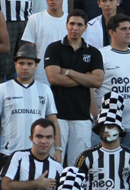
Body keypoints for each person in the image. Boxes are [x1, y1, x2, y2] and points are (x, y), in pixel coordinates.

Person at [43, 9, 104, 164]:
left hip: (82, 117)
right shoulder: (54, 48)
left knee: (77, 166)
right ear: (66, 25)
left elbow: (97, 82)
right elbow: (53, 78)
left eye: (79, 25)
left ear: (85, 28)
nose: (74, 28)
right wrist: (86, 78)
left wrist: (69, 72)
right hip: (58, 115)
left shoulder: (94, 52)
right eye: (71, 24)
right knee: (54, 163)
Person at [0, 45, 59, 171]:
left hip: (38, 153)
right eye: (21, 63)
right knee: (7, 189)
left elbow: (53, 121)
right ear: (15, 64)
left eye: (29, 63)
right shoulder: (3, 88)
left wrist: (58, 148)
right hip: (9, 152)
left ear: (36, 65)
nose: (25, 67)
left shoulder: (45, 89)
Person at [96, 14, 130, 146]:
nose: (128, 32)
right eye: (123, 29)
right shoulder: (100, 54)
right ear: (111, 32)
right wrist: (94, 114)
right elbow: (91, 88)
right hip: (108, 123)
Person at [0, 118, 64, 190]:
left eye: (48, 137)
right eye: (39, 136)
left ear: (54, 139)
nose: (44, 141)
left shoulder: (58, 167)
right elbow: (5, 186)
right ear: (31, 138)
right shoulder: (18, 157)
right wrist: (36, 183)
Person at [22, 0, 68, 85]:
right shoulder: (35, 19)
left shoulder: (71, 21)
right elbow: (30, 51)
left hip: (65, 76)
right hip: (40, 77)